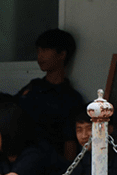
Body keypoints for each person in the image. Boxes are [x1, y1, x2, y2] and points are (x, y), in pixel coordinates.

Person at [15, 29, 86, 158]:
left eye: (45, 50)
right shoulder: (34, 86)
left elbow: (69, 141)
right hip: (19, 153)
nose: (40, 56)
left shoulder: (70, 98)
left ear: (62, 54)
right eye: (38, 51)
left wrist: (67, 173)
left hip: (47, 160)